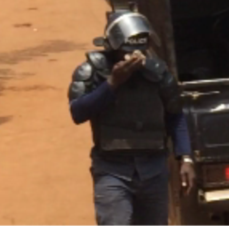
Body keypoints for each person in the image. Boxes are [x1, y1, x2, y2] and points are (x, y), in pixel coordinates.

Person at [69, 12, 193, 226]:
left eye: (139, 50)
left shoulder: (158, 73)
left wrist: (186, 157)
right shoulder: (92, 71)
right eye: (126, 51)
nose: (134, 56)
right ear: (112, 47)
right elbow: (78, 113)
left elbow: (175, 114)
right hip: (112, 170)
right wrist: (112, 84)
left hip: (153, 170)